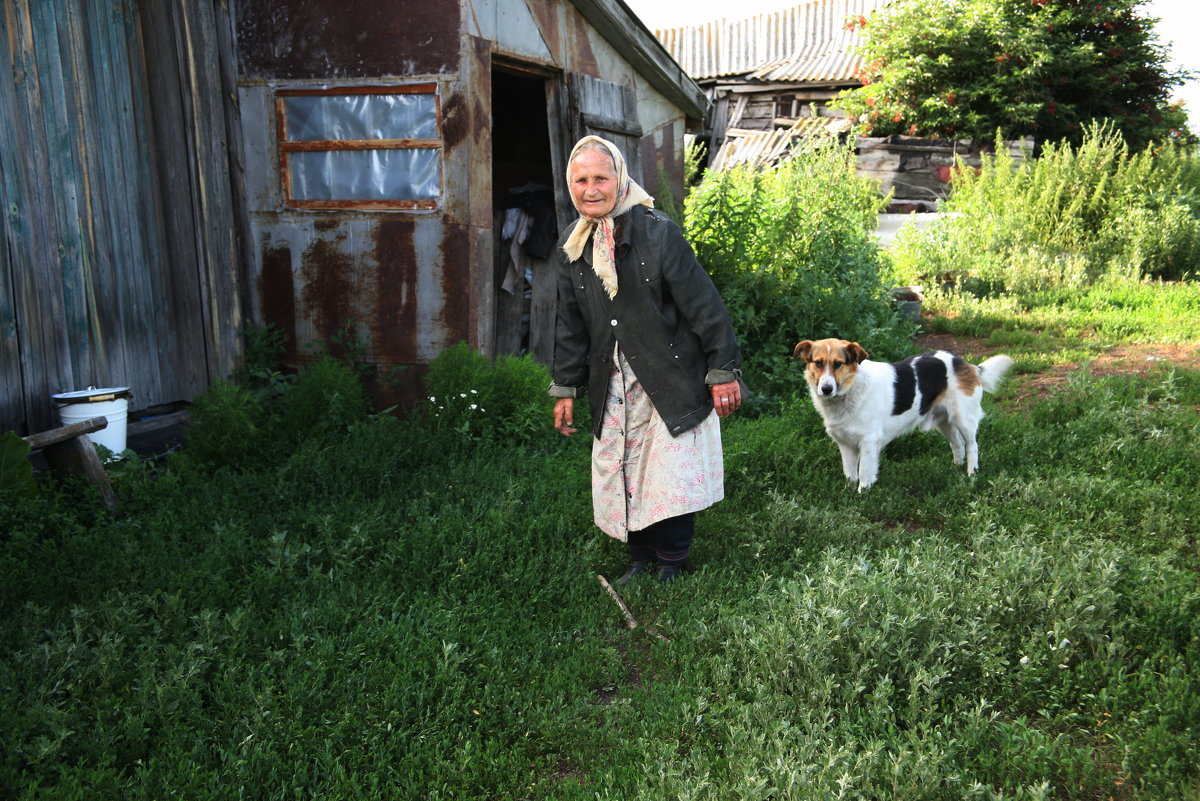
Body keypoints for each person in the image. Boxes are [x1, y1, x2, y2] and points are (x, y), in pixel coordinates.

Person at [548, 135, 743, 584]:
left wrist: (723, 371)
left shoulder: (657, 232)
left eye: (601, 177)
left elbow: (705, 306)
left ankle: (671, 562)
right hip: (613, 381)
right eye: (581, 180)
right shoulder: (572, 246)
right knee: (624, 468)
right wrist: (565, 386)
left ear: (621, 179)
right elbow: (570, 326)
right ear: (569, 184)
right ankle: (640, 560)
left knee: (668, 471)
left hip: (668, 374)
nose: (590, 188)